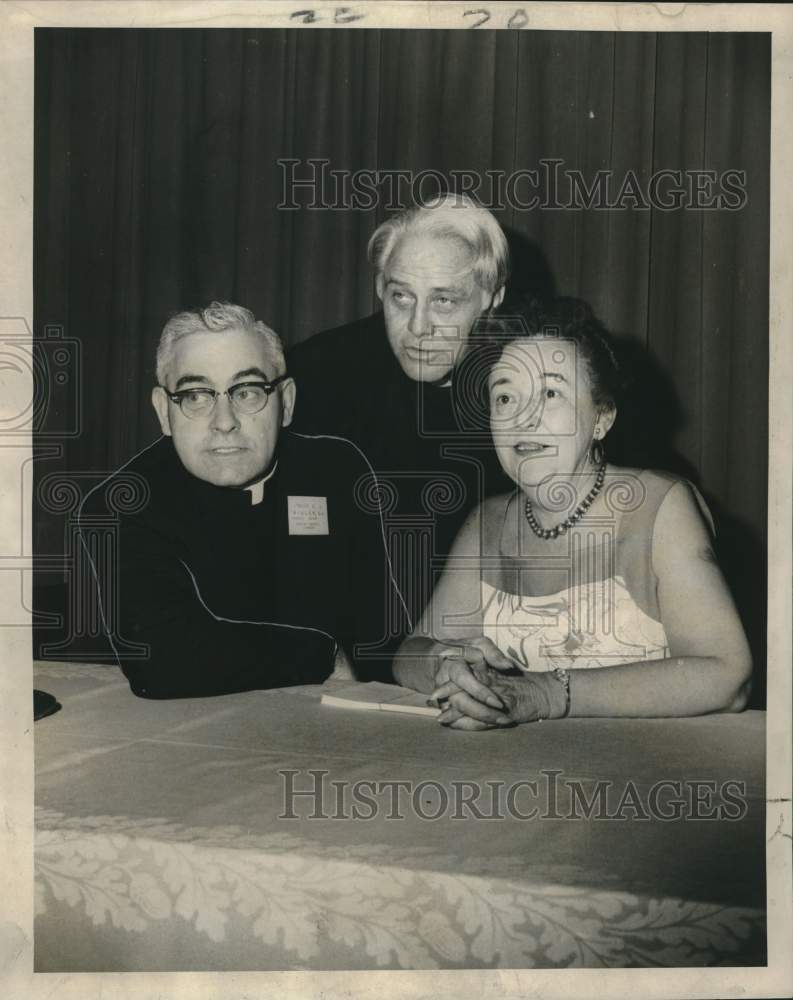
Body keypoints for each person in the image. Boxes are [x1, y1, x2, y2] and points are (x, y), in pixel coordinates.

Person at [392, 297, 752, 729]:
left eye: (549, 393)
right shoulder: (486, 523)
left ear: (602, 417)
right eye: (505, 396)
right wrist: (444, 663)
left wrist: (545, 693)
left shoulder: (659, 506)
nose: (523, 418)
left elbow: (729, 675)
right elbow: (410, 651)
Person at [80, 302, 394, 698]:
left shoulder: (338, 470)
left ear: (287, 403)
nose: (224, 422)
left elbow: (381, 630)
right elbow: (165, 660)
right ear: (164, 412)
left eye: (247, 391)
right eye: (196, 396)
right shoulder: (118, 504)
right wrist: (324, 656)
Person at [287, 193, 514, 644]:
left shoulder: (527, 381)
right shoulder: (317, 373)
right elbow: (291, 536)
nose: (417, 327)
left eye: (444, 301)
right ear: (378, 288)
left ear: (491, 298)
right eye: (401, 297)